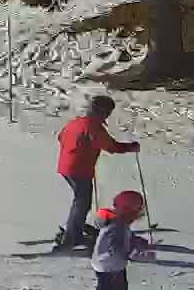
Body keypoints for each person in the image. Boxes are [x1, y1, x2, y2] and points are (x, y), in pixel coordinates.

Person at [54, 95, 139, 249]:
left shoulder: (76, 122)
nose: (107, 115)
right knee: (82, 202)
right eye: (107, 112)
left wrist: (77, 148)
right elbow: (111, 146)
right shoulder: (93, 127)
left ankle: (75, 228)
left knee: (81, 200)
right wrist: (129, 147)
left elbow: (60, 137)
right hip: (79, 169)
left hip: (66, 166)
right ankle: (72, 236)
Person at [64, 190, 151, 290]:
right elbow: (116, 248)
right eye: (137, 212)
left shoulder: (121, 223)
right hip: (107, 266)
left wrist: (136, 241)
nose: (138, 216)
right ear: (128, 211)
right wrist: (133, 252)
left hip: (115, 265)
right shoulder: (116, 226)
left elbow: (126, 236)